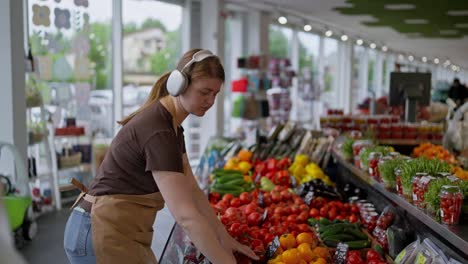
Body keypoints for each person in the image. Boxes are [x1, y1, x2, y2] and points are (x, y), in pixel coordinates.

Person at [63, 49, 258, 264]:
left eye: (215, 94)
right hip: (99, 233)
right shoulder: (159, 132)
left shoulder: (172, 126)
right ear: (180, 84)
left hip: (116, 231)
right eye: (204, 92)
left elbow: (192, 190)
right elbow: (186, 217)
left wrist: (224, 238)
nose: (210, 100)